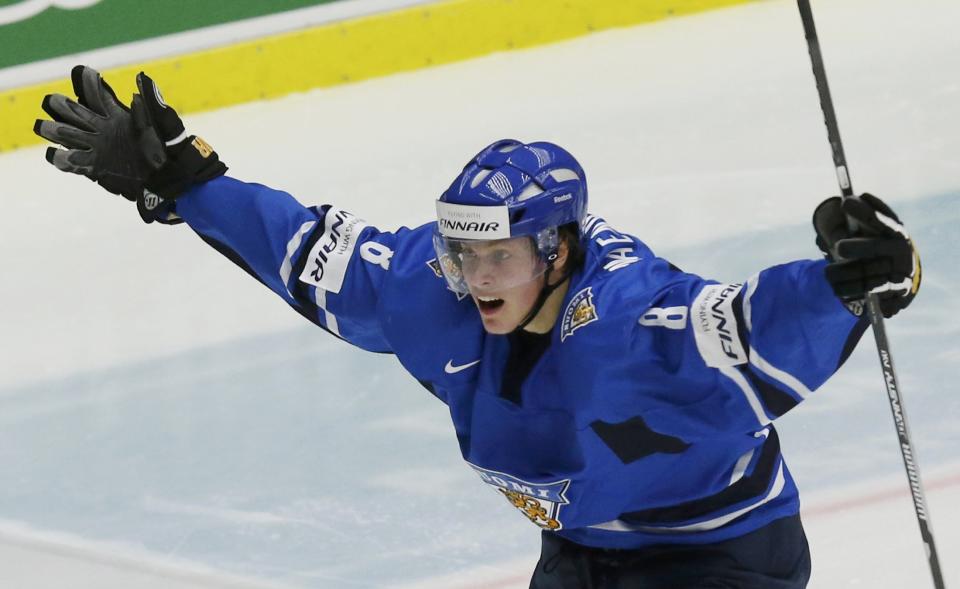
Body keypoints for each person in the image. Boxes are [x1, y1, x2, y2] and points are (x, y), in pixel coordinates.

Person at [34, 66, 921, 588]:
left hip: (719, 557)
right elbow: (305, 248)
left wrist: (863, 273)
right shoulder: (435, 284)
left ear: (559, 248)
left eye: (497, 254)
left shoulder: (631, 320)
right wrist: (184, 180)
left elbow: (750, 318)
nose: (473, 273)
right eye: (463, 250)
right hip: (581, 554)